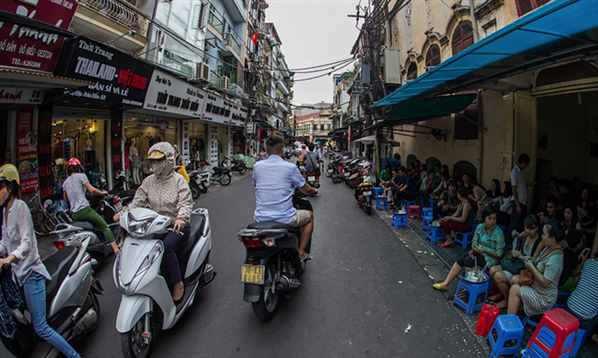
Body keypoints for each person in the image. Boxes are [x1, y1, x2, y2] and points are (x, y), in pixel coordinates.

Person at [0, 164, 80, 358]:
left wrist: (9, 258)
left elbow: (26, 242)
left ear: (10, 187)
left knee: (41, 327)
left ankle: (74, 356)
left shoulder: (21, 208)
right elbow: (5, 242)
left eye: (0, 186)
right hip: (17, 276)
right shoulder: (5, 212)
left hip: (31, 273)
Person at [115, 142, 193, 302]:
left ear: (169, 160)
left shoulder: (179, 180)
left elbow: (186, 203)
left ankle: (177, 282)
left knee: (167, 247)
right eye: (152, 160)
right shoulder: (148, 181)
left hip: (176, 226)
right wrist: (124, 212)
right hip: (154, 225)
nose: (154, 164)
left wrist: (181, 217)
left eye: (158, 160)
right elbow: (137, 201)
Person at [253, 135, 318, 260]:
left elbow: (255, 184)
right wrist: (313, 190)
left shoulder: (257, 166)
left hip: (260, 217)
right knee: (309, 216)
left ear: (266, 149)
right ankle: (301, 251)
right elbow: (305, 188)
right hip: (285, 218)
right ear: (282, 150)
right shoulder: (290, 167)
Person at [433, 207, 505, 291]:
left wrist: (484, 249)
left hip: (490, 259)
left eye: (494, 219)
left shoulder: (498, 233)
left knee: (467, 261)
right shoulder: (480, 227)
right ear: (484, 218)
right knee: (461, 260)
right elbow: (474, 244)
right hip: (477, 254)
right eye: (489, 218)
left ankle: (465, 289)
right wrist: (477, 250)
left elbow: (499, 254)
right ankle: (446, 283)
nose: (492, 221)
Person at [63, 158, 119, 254]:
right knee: (104, 227)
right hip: (85, 210)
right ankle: (116, 249)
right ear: (78, 167)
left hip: (74, 214)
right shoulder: (81, 176)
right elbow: (92, 190)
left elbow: (65, 199)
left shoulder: (65, 182)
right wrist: (102, 193)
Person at [507, 224, 564, 316]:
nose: (541, 236)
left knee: (514, 289)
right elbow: (536, 261)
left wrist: (532, 268)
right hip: (535, 286)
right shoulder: (548, 248)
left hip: (543, 297)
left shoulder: (556, 258)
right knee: (514, 279)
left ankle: (509, 322)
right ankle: (516, 308)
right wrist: (524, 257)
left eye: (544, 234)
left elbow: (545, 282)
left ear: (552, 238)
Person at [490, 215, 541, 307]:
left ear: (537, 227)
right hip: (515, 265)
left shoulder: (539, 242)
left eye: (532, 229)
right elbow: (513, 250)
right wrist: (514, 252)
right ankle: (504, 296)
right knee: (492, 269)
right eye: (527, 228)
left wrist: (521, 256)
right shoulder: (524, 236)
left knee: (499, 276)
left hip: (524, 270)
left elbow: (535, 261)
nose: (529, 231)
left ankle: (508, 300)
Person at [566, 248, 598, 344]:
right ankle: (583, 339)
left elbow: (577, 279)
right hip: (584, 317)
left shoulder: (589, 262)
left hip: (570, 305)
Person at [510, 153, 530, 232]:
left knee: (521, 225)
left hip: (523, 202)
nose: (526, 166)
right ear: (524, 162)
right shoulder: (515, 172)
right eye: (526, 164)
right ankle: (509, 242)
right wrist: (517, 205)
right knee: (515, 225)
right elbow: (514, 189)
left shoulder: (521, 172)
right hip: (518, 203)